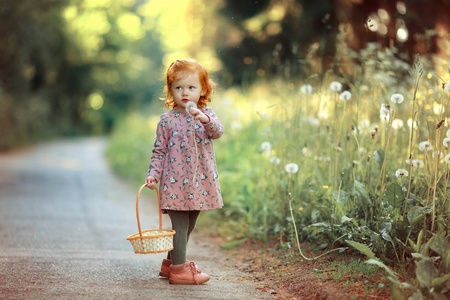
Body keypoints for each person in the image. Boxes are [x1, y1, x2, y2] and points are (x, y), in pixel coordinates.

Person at [145, 58, 224, 285]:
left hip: (201, 183)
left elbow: (217, 132)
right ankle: (179, 270)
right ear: (170, 91)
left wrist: (204, 119)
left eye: (191, 87)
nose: (185, 93)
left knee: (189, 225)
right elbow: (159, 151)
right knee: (179, 227)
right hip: (174, 183)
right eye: (178, 88)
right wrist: (153, 174)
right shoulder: (167, 120)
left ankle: (169, 264)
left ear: (202, 90)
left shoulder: (207, 115)